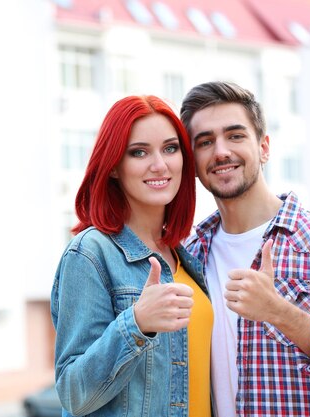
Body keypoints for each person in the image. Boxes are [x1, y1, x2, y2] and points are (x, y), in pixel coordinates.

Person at [179, 81, 310, 417]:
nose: (221, 151)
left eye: (235, 135)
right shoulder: (189, 251)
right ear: (195, 162)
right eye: (205, 142)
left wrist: (279, 312)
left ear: (264, 148)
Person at [51, 95, 213, 417]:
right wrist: (136, 323)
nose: (159, 164)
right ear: (113, 166)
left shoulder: (188, 255)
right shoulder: (91, 254)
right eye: (139, 152)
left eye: (170, 148)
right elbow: (73, 392)